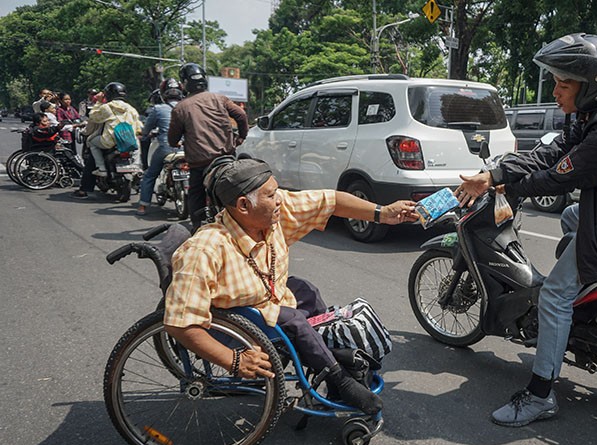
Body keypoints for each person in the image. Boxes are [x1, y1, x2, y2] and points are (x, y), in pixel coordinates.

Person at [455, 33, 597, 427]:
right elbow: (551, 151)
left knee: (554, 299)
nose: (556, 92)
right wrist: (494, 173)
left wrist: (501, 185)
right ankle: (589, 299)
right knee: (569, 218)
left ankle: (540, 395)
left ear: (592, 85)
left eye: (564, 84)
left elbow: (552, 179)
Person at [163, 156, 418, 415]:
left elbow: (331, 201)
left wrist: (382, 213)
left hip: (266, 300)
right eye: (272, 195)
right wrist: (235, 361)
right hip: (231, 322)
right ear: (243, 205)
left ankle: (323, 358)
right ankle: (340, 379)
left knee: (305, 291)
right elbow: (180, 323)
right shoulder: (204, 249)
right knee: (293, 321)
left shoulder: (270, 211)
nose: (280, 200)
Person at [168, 62, 249, 230]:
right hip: (226, 157)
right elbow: (241, 115)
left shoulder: (180, 108)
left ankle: (197, 228)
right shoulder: (219, 98)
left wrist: (174, 142)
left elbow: (172, 138)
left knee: (195, 193)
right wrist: (241, 137)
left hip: (200, 164)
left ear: (184, 83)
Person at [137, 79, 184, 216]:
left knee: (150, 175)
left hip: (166, 147)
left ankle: (143, 206)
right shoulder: (189, 107)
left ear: (164, 94)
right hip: (187, 148)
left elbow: (146, 129)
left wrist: (144, 134)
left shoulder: (158, 109)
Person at [87, 82, 143, 176]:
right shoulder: (130, 108)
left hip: (110, 141)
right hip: (128, 141)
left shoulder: (106, 107)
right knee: (137, 142)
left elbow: (93, 117)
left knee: (91, 142)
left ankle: (101, 168)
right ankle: (135, 165)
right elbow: (139, 127)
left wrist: (99, 102)